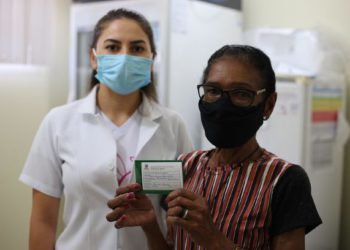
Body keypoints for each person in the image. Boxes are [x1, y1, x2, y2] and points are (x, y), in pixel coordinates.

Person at [106, 45, 322, 250]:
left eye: (241, 93)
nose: (222, 105)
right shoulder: (184, 166)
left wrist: (213, 239)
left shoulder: (284, 180)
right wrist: (150, 225)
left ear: (268, 105)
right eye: (213, 91)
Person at [19, 8, 193, 250]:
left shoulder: (173, 125)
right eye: (112, 47)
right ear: (93, 58)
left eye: (137, 48)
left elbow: (180, 212)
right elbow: (43, 221)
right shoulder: (58, 122)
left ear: (152, 59)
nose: (124, 56)